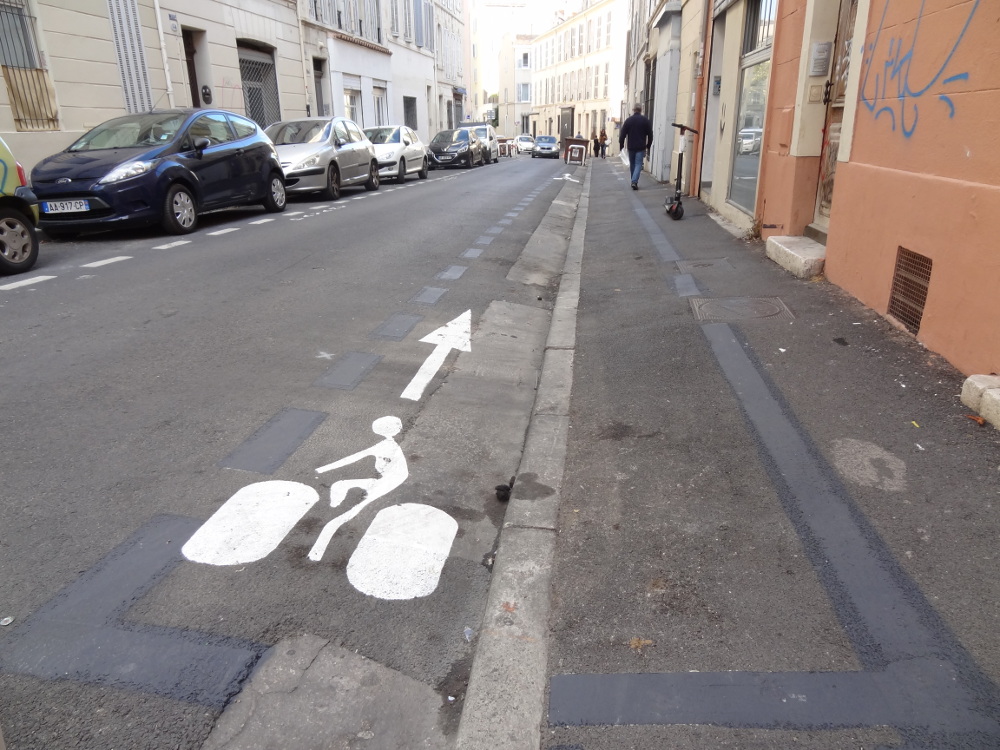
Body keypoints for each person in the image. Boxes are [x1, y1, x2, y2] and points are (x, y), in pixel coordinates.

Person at [619, 103, 653, 189]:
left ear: (633, 110)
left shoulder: (628, 120)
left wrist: (621, 146)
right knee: (638, 164)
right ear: (641, 110)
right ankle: (634, 181)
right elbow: (650, 134)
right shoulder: (645, 120)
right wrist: (648, 145)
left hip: (631, 146)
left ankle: (633, 181)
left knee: (633, 164)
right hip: (641, 146)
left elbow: (622, 134)